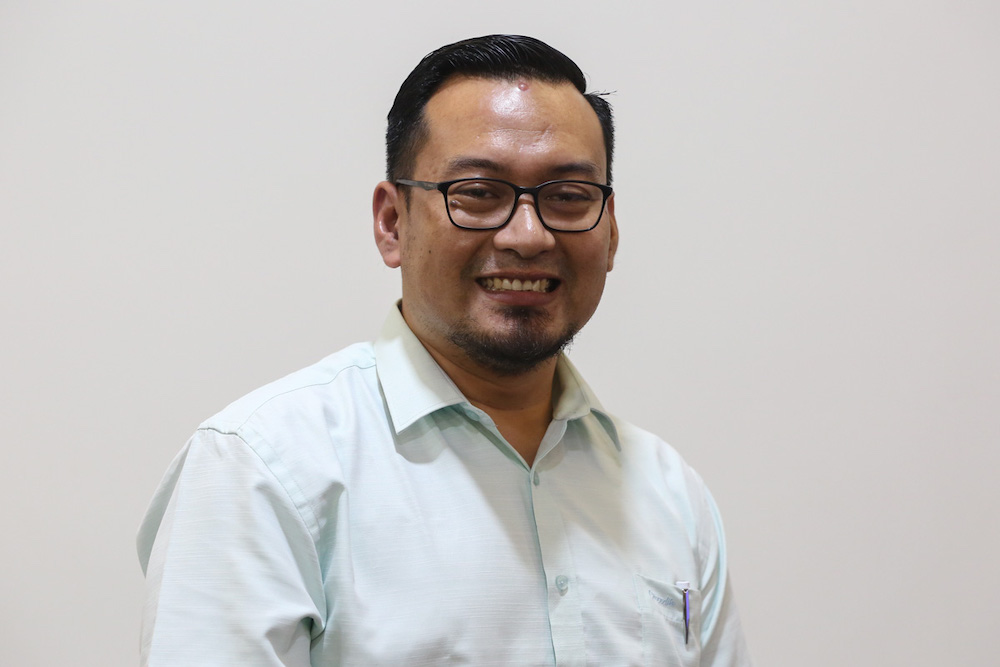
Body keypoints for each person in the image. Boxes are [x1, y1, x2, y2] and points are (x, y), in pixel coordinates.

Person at [137, 34, 752, 666]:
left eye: (568, 197)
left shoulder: (667, 492)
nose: (527, 235)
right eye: (478, 193)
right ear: (392, 222)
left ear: (611, 229)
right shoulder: (264, 469)